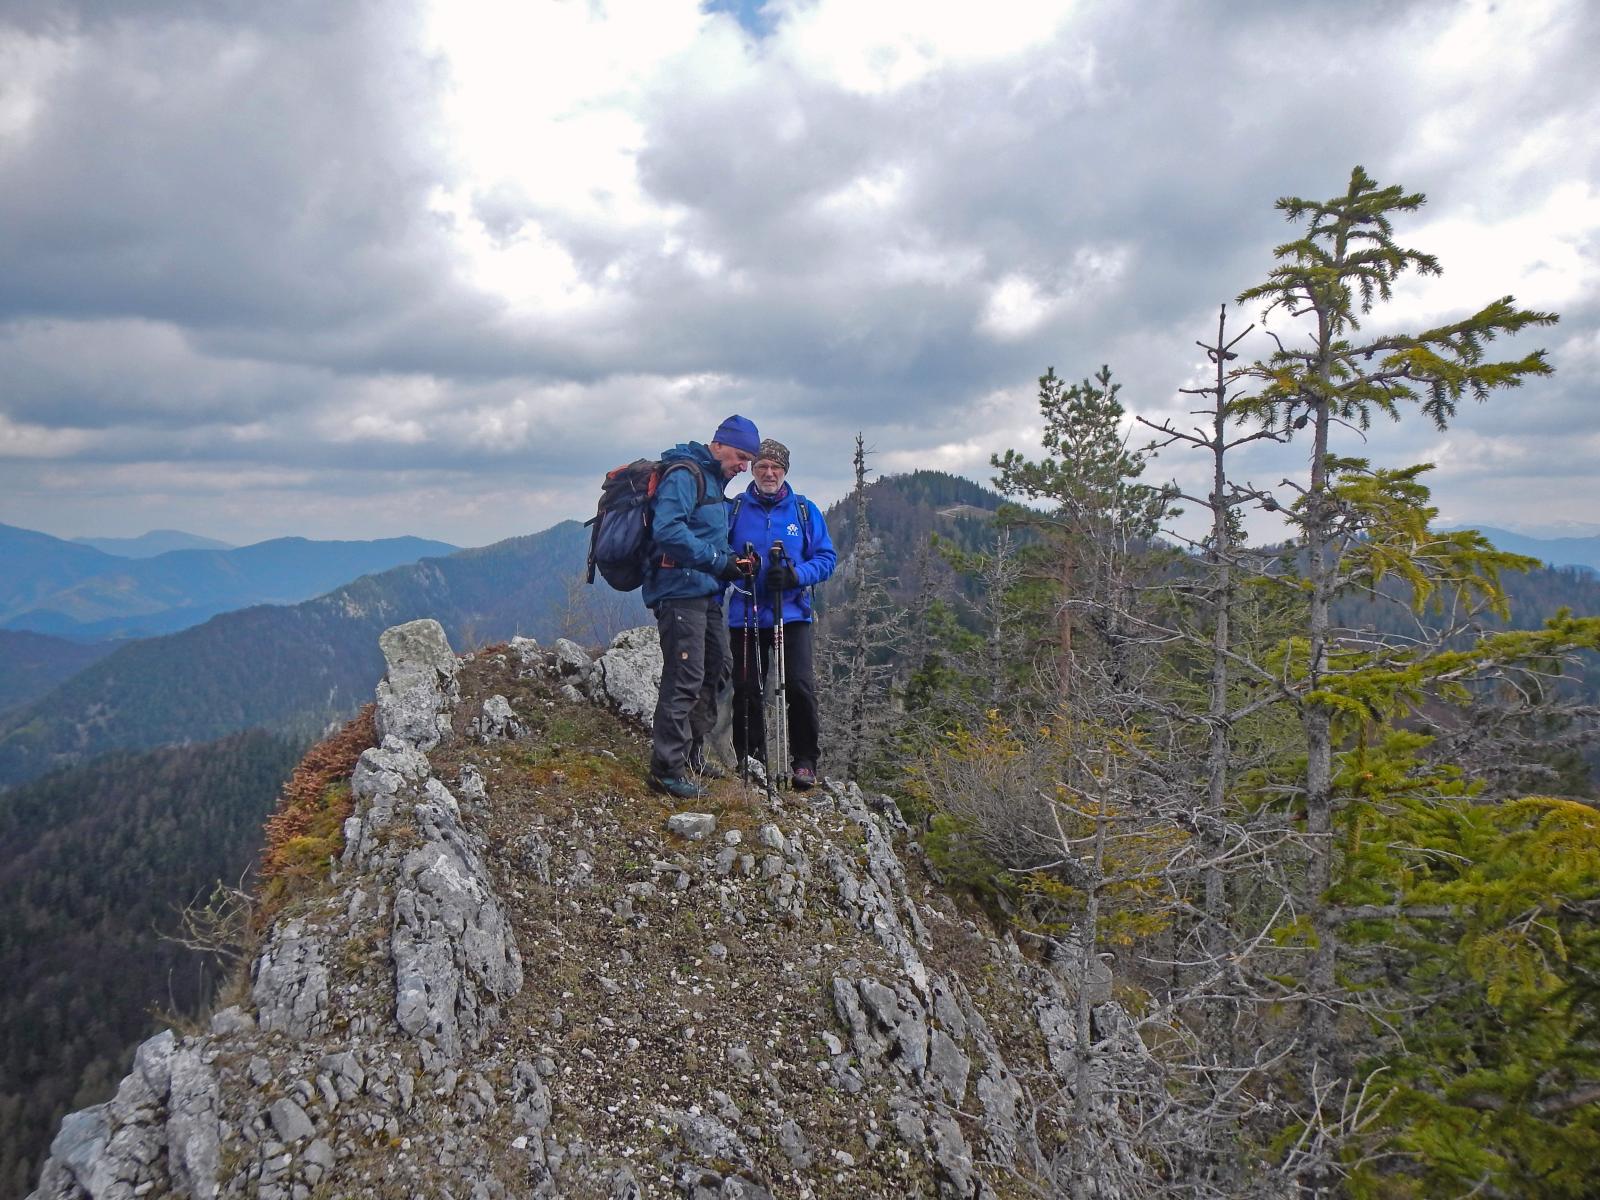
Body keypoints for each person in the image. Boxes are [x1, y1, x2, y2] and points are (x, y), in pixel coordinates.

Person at [642, 414, 761, 800]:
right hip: (679, 592)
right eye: (740, 457)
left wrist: (734, 562)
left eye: (748, 460)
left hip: (708, 593)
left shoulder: (713, 481)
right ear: (719, 444)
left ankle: (692, 754)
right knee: (685, 676)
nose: (744, 467)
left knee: (716, 668)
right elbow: (668, 530)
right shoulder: (685, 474)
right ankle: (666, 769)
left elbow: (707, 537)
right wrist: (716, 560)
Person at [726, 438, 836, 789]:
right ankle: (750, 759)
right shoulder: (736, 510)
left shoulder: (804, 511)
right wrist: (736, 568)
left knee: (800, 688)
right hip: (746, 612)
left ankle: (804, 761)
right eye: (762, 467)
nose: (769, 473)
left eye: (775, 467)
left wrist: (795, 575)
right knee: (746, 689)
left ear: (785, 471)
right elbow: (720, 555)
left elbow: (826, 558)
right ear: (753, 470)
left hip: (792, 614)